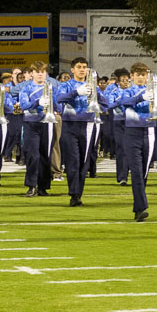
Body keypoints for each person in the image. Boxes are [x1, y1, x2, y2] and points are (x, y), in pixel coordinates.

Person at [114, 63, 157, 222]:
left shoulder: (154, 91)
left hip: (150, 132)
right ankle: (141, 207)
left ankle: (138, 205)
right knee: (137, 172)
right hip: (132, 132)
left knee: (144, 172)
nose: (141, 77)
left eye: (143, 75)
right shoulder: (126, 91)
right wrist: (140, 97)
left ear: (147, 76)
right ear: (132, 76)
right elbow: (120, 102)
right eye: (137, 75)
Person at [54, 58, 102, 206]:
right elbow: (59, 98)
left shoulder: (93, 86)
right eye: (79, 67)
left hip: (88, 125)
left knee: (83, 162)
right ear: (72, 70)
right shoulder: (66, 85)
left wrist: (97, 95)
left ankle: (78, 193)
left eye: (85, 67)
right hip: (70, 125)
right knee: (73, 161)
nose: (82, 70)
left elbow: (105, 104)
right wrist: (76, 92)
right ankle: (74, 195)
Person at [18, 62, 56, 199]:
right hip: (31, 123)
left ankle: (43, 186)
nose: (40, 74)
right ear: (32, 73)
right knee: (33, 156)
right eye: (37, 71)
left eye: (43, 71)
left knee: (46, 155)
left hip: (48, 123)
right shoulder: (26, 88)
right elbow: (23, 105)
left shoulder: (51, 87)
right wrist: (37, 103)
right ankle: (31, 185)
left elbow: (57, 104)